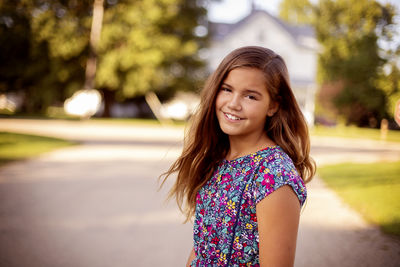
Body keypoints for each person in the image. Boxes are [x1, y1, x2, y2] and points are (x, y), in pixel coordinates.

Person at [161, 46, 316, 266]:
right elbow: (203, 246)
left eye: (250, 96)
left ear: (273, 105)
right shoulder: (218, 158)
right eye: (226, 89)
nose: (233, 104)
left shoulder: (274, 176)